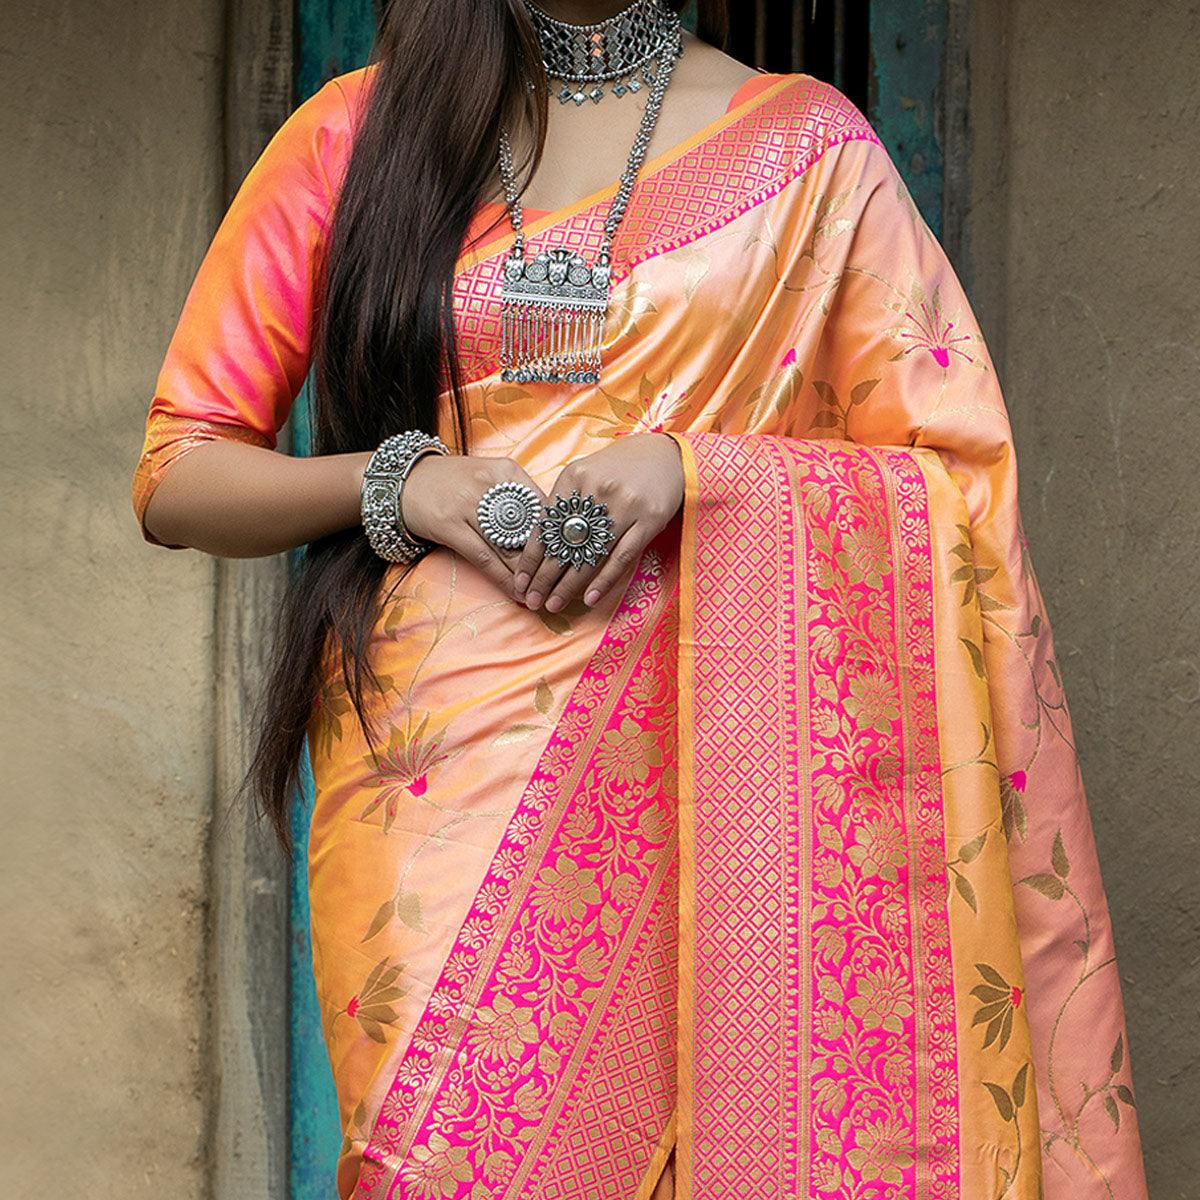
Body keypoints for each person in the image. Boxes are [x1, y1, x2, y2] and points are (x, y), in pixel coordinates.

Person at [131, 2, 1149, 1198]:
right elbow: (177, 471)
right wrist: (407, 482)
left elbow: (956, 485)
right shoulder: (357, 134)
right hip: (436, 792)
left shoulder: (808, 154)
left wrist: (694, 473)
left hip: (724, 784)